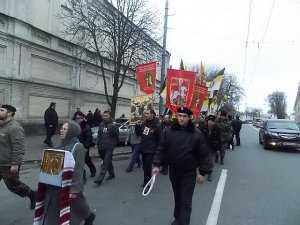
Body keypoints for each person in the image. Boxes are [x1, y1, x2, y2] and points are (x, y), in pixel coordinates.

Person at [152, 107, 212, 225]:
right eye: (179, 115)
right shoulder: (168, 131)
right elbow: (161, 149)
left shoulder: (196, 134)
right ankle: (178, 218)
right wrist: (157, 164)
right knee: (178, 197)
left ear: (189, 118)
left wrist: (203, 172)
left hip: (188, 173)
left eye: (184, 116)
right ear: (176, 116)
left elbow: (204, 154)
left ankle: (184, 222)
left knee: (186, 200)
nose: (181, 118)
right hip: (174, 171)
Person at [40, 120, 95, 225]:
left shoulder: (77, 147)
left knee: (74, 203)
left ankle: (86, 216)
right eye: (61, 128)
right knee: (76, 203)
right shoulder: (59, 145)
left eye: (65, 129)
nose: (61, 130)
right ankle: (88, 215)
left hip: (71, 182)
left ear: (72, 131)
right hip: (58, 182)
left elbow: (78, 169)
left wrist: (74, 189)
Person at [0, 104, 36, 210]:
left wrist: (15, 164)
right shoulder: (2, 126)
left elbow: (19, 147)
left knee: (14, 186)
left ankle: (32, 194)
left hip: (8, 164)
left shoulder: (15, 128)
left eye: (1, 110)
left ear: (9, 113)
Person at [135, 109, 161, 187]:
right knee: (145, 166)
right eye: (145, 113)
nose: (145, 115)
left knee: (147, 166)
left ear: (152, 114)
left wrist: (158, 150)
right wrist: (137, 126)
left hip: (151, 149)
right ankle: (146, 180)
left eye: (147, 113)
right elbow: (139, 134)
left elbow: (160, 138)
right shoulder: (144, 123)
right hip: (143, 147)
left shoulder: (157, 124)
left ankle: (147, 182)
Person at [94, 111, 119, 186]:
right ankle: (112, 174)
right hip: (101, 146)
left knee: (105, 162)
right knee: (108, 161)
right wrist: (96, 143)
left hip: (109, 146)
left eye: (106, 116)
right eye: (103, 116)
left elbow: (116, 135)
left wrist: (112, 129)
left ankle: (99, 179)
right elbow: (99, 134)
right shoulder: (101, 124)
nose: (104, 117)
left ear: (109, 116)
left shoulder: (113, 124)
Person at [199, 114, 221, 182]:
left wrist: (218, 149)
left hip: (212, 147)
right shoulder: (203, 127)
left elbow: (219, 139)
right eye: (209, 121)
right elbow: (198, 137)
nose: (210, 122)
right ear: (207, 121)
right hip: (203, 147)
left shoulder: (217, 129)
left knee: (211, 161)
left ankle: (210, 173)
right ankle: (202, 173)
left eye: (212, 121)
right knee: (203, 160)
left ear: (214, 122)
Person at [74, 112, 96, 177]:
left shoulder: (86, 127)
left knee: (87, 160)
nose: (78, 120)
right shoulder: (74, 126)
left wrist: (86, 147)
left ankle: (93, 170)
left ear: (83, 118)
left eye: (79, 118)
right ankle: (81, 173)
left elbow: (89, 139)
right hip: (76, 147)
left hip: (84, 147)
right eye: (76, 118)